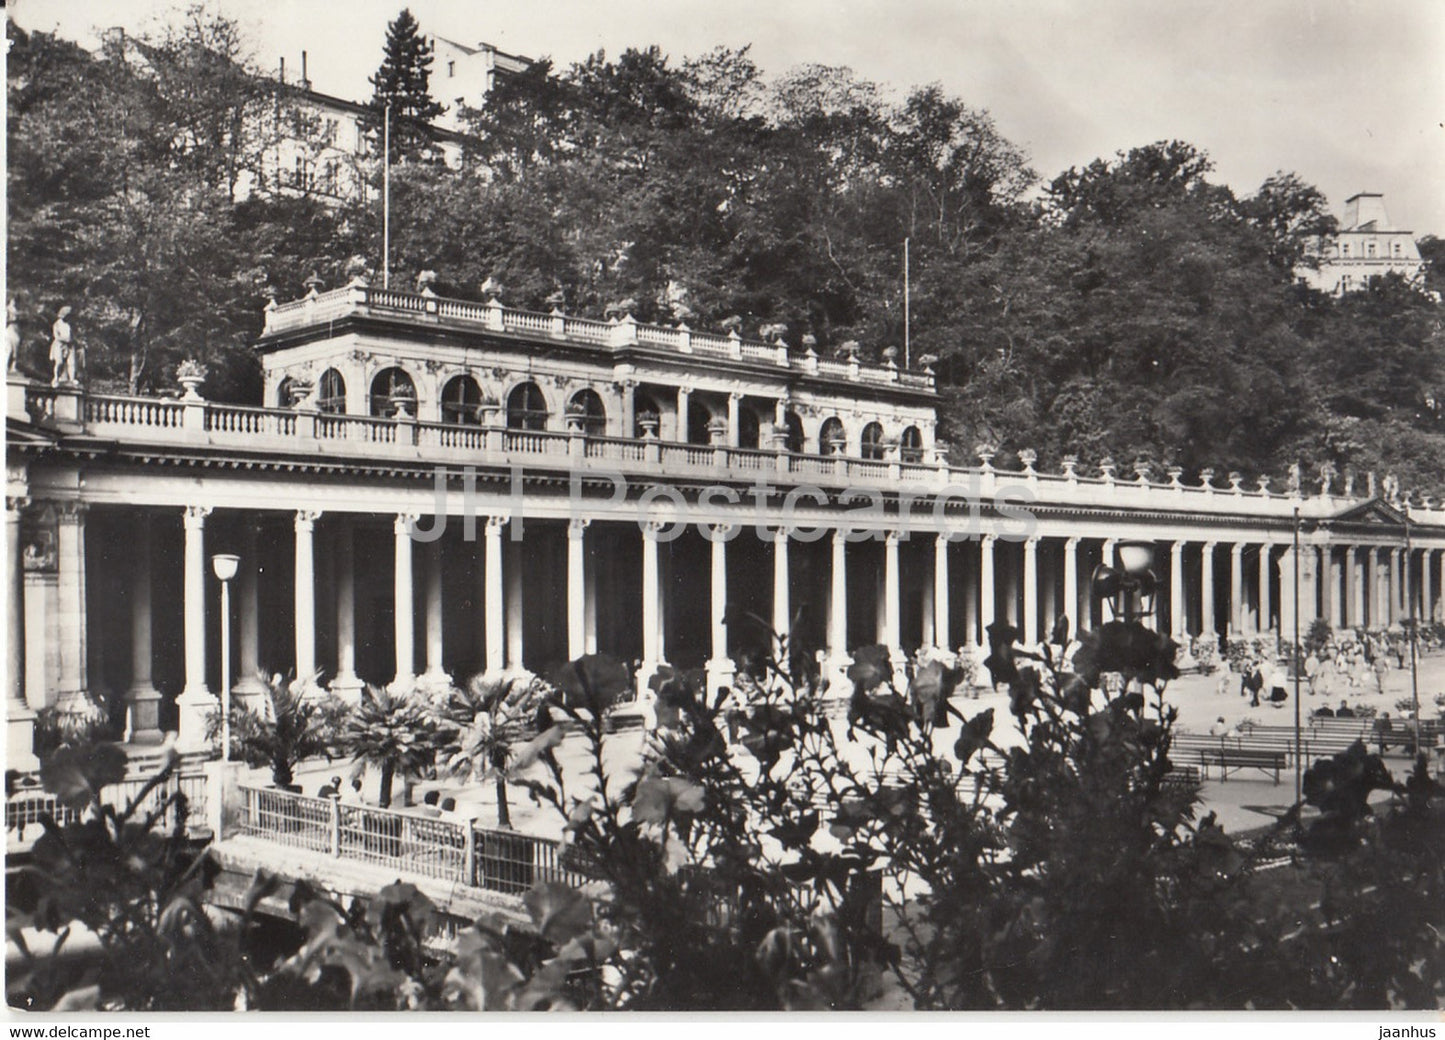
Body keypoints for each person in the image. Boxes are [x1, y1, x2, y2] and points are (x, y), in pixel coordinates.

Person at [49, 306, 74, 386]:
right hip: (59, 344)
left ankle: (72, 379)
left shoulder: (69, 325)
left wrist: (70, 340)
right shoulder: (57, 324)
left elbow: (72, 336)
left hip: (69, 345)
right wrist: (65, 339)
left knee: (71, 363)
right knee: (59, 362)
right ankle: (56, 378)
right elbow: (56, 336)